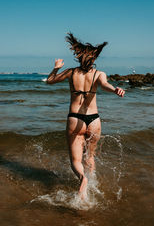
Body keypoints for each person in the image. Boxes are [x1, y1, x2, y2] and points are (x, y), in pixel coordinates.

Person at [46, 32, 125, 199]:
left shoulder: (71, 72)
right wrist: (115, 89)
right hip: (94, 120)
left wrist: (56, 67)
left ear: (79, 56)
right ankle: (92, 186)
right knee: (90, 157)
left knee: (75, 160)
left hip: (75, 119)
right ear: (94, 58)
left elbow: (49, 80)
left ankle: (83, 179)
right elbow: (105, 85)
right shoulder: (99, 74)